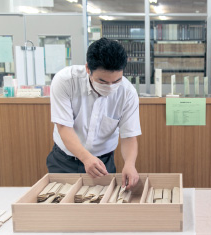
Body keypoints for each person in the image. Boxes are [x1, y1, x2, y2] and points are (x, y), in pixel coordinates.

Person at [46, 38, 141, 189]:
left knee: (101, 208)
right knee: (62, 206)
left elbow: (129, 135)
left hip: (103, 162)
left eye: (116, 81)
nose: (110, 87)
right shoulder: (65, 81)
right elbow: (64, 128)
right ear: (88, 69)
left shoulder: (127, 92)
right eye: (103, 81)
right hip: (64, 160)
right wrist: (85, 158)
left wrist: (130, 164)